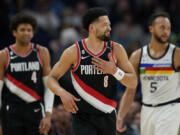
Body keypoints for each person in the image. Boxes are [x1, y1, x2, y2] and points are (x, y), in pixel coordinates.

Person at [47, 7, 137, 135]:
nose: (109, 28)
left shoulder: (116, 49)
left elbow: (133, 82)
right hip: (82, 117)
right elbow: (51, 78)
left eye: (109, 25)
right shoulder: (74, 52)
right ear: (92, 28)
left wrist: (115, 71)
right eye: (105, 25)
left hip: (108, 115)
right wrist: (62, 92)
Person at [0, 13, 54, 135]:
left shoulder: (42, 52)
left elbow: (49, 86)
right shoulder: (4, 55)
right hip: (11, 110)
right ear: (14, 32)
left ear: (33, 33)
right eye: (22, 30)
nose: (26, 33)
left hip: (34, 109)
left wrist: (48, 114)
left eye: (29, 30)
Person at [129, 12, 180, 135]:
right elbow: (129, 87)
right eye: (162, 27)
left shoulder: (176, 54)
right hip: (147, 107)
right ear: (151, 29)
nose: (166, 31)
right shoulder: (138, 55)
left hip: (170, 106)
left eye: (168, 28)